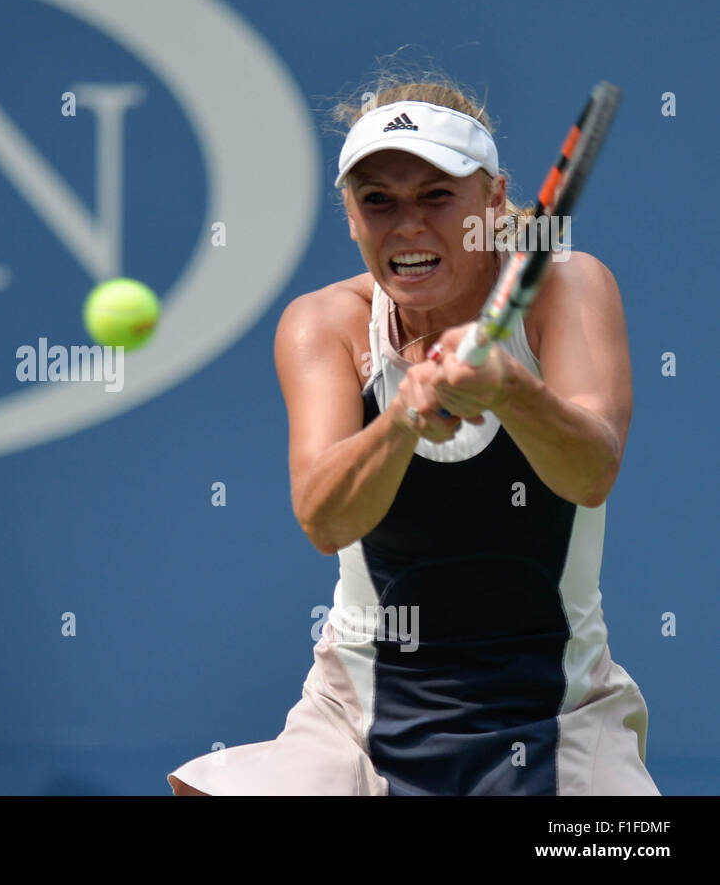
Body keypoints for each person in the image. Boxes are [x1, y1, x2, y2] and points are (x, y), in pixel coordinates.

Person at [166, 74, 658, 795]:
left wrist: (509, 390)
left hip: (561, 718)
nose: (407, 226)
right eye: (379, 202)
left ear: (493, 202)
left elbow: (591, 471)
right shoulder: (324, 325)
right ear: (351, 215)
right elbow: (324, 518)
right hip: (355, 726)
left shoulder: (569, 286)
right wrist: (401, 420)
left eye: (436, 197)